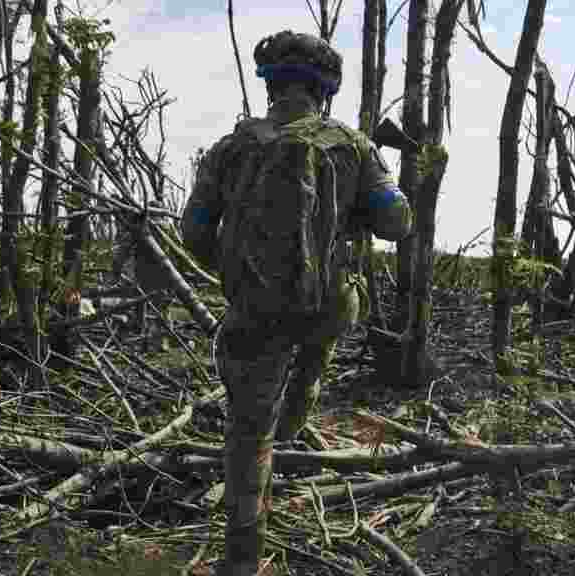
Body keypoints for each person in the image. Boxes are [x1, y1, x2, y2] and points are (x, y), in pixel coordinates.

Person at [180, 30, 412, 576]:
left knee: (248, 434)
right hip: (327, 311)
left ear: (271, 86)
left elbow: (192, 232)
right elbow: (399, 223)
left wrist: (238, 276)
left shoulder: (230, 149)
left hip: (254, 316)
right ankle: (295, 411)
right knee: (307, 370)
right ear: (324, 90)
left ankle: (241, 559)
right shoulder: (354, 146)